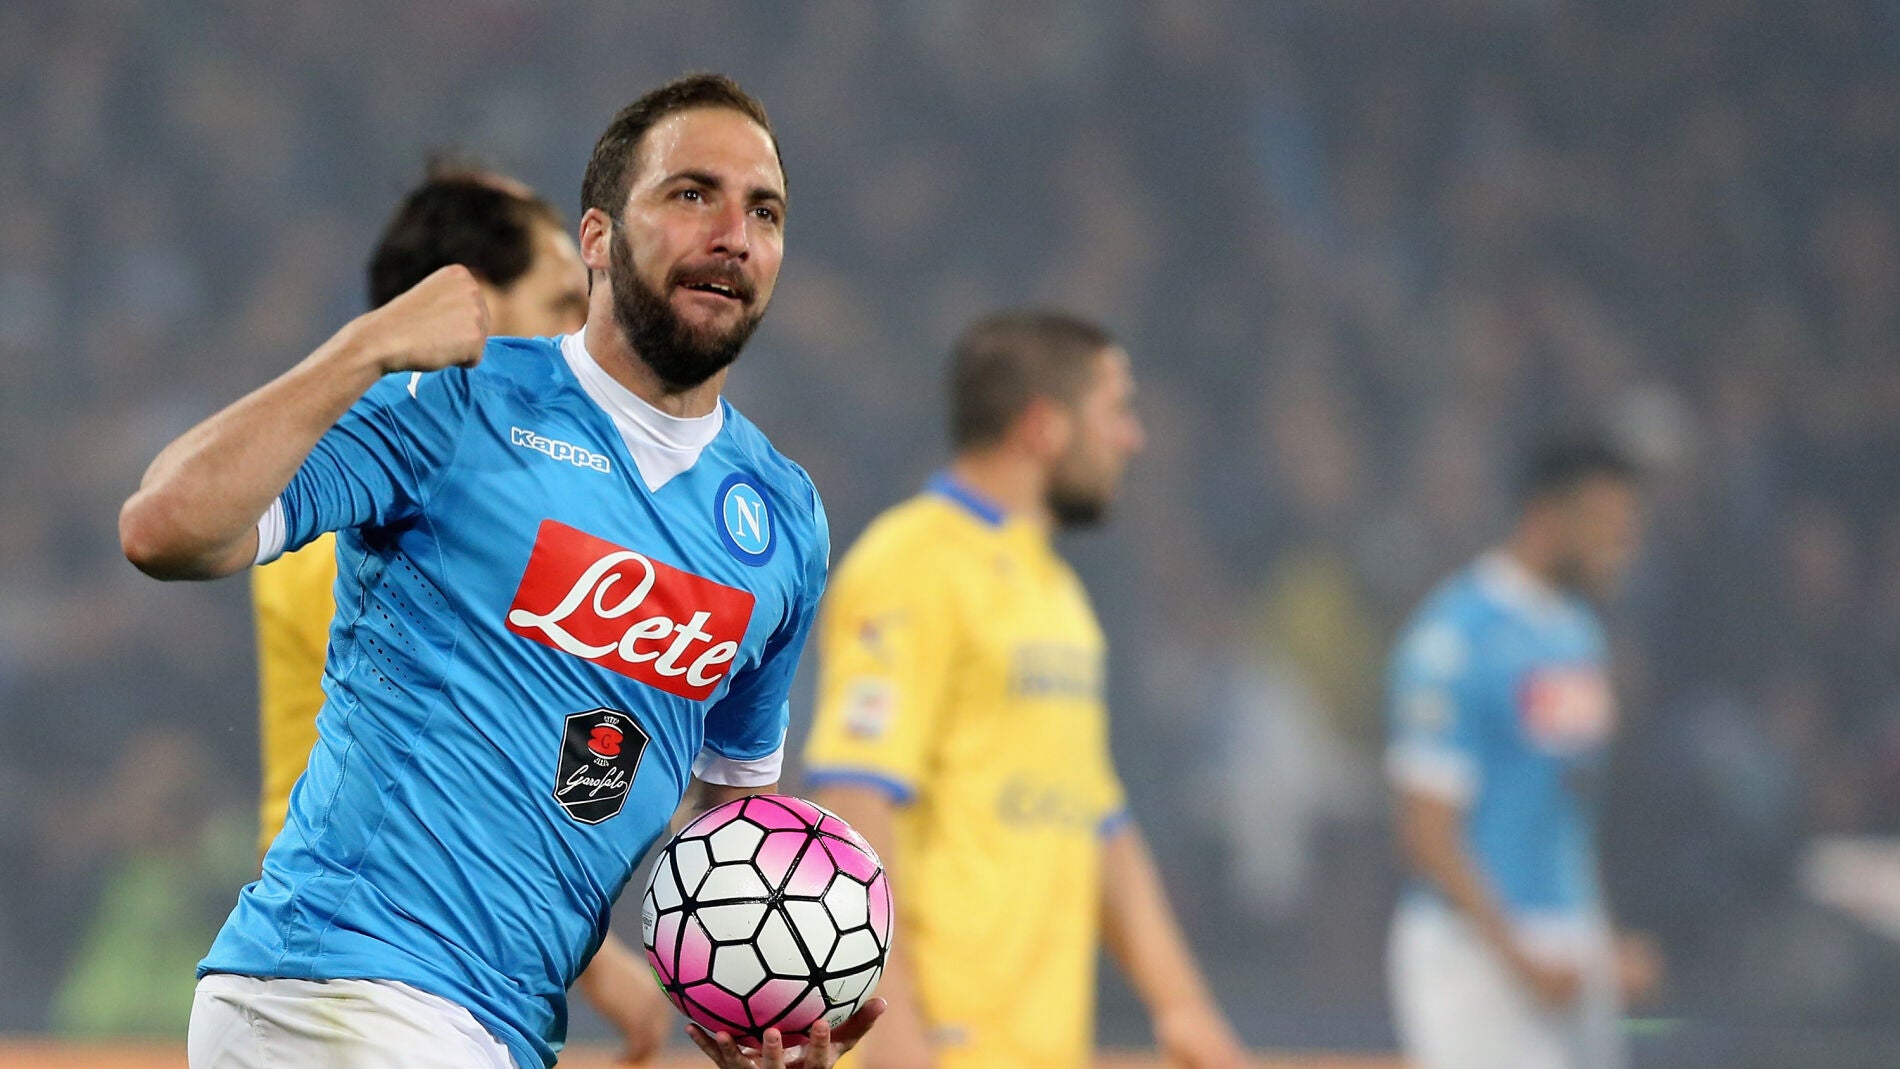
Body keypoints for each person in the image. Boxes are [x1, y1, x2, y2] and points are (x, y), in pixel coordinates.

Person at [120, 73, 879, 1069]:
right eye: (692, 193)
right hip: (342, 985)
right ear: (598, 238)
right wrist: (367, 345)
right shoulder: (458, 406)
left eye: (764, 211)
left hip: (498, 1027)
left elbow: (724, 827)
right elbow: (163, 527)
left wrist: (744, 992)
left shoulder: (782, 521)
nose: (733, 232)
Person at [249, 163, 674, 1064]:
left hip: (437, 973)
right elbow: (472, 758)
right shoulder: (375, 512)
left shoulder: (480, 499)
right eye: (564, 300)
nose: (585, 333)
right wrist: (600, 967)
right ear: (463, 312)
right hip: (363, 962)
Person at [801, 311, 1246, 1069]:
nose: (1131, 438)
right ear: (1043, 427)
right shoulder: (912, 562)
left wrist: (1185, 1008)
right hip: (941, 1042)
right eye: (1116, 410)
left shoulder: (1057, 592)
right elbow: (855, 798)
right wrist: (894, 1030)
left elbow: (1099, 819)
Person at [1384, 437, 1664, 1069]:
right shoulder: (1454, 639)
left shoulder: (1578, 637)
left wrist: (1598, 943)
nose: (1625, 544)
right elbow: (1427, 833)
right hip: (1474, 954)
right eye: (1608, 526)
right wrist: (1518, 956)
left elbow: (1568, 808)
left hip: (1570, 951)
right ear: (1548, 516)